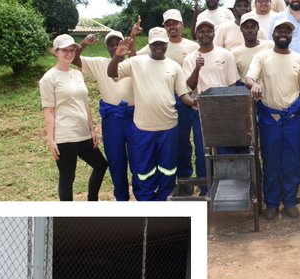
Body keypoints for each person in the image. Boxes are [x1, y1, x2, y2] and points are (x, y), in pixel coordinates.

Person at [108, 27, 195, 201]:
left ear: (166, 44)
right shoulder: (136, 63)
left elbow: (183, 94)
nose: (159, 47)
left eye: (162, 43)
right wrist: (118, 55)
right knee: (144, 169)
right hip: (143, 128)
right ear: (149, 44)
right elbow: (112, 73)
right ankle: (146, 200)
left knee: (168, 168)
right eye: (155, 44)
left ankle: (165, 199)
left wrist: (193, 102)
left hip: (169, 127)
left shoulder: (174, 66)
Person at [244, 17, 300, 219]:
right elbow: (249, 77)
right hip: (270, 117)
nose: (283, 34)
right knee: (271, 162)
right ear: (272, 33)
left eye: (287, 31)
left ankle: (289, 201)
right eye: (279, 30)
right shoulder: (262, 57)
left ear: (291, 35)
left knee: (292, 162)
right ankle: (271, 203)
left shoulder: (298, 59)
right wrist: (253, 85)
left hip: (292, 119)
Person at [41, 34, 107, 201]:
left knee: (101, 165)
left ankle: (92, 201)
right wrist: (51, 140)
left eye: (72, 50)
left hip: (83, 133)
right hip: (65, 136)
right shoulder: (49, 78)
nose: (69, 53)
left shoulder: (77, 74)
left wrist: (92, 129)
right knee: (67, 178)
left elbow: (85, 103)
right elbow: (48, 110)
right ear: (55, 52)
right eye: (65, 50)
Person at [74, 26, 137, 201]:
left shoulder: (133, 62)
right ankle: (121, 196)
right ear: (107, 48)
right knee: (116, 159)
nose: (115, 47)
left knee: (138, 157)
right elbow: (75, 59)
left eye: (118, 43)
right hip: (112, 118)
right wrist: (84, 43)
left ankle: (141, 194)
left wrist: (133, 38)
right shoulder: (99, 63)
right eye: (111, 45)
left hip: (134, 116)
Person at [182, 17, 239, 193]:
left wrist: (229, 109)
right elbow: (189, 87)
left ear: (214, 33)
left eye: (208, 31)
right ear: (196, 34)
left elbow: (232, 85)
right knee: (202, 151)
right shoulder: (191, 59)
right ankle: (206, 189)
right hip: (200, 112)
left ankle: (225, 187)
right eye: (201, 31)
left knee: (224, 150)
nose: (205, 34)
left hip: (223, 113)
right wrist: (197, 68)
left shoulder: (225, 54)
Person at [229, 12, 272, 80]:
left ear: (258, 28)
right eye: (246, 27)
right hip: (246, 89)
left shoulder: (270, 46)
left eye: (253, 27)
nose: (250, 30)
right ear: (241, 29)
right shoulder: (234, 53)